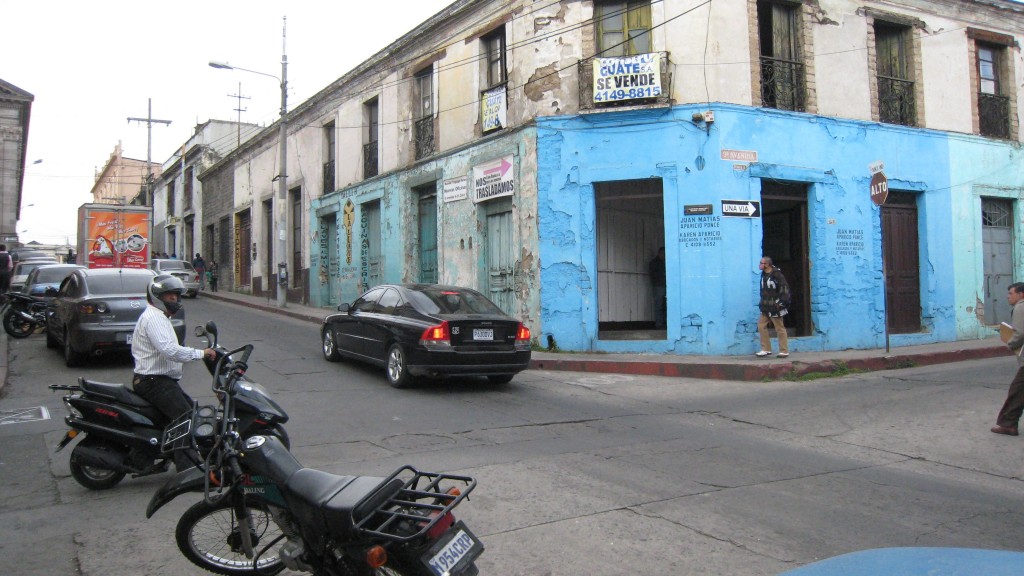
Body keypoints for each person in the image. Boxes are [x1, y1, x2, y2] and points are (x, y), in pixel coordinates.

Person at [131, 275, 216, 470]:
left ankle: (175, 456)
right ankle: (188, 468)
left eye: (177, 297)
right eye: (171, 297)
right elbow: (169, 350)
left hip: (159, 381)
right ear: (159, 297)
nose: (176, 301)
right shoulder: (154, 318)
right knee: (184, 419)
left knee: (192, 411)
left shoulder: (159, 317)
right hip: (154, 381)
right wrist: (200, 353)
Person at [993, 282, 1024, 436]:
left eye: (1011, 293)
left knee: (1017, 391)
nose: (1008, 296)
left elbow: (1019, 334)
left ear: (1021, 294)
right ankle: (1008, 423)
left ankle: (1008, 424)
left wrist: (1011, 344)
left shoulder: (1020, 307)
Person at [756, 256, 790, 358]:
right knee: (761, 326)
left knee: (779, 328)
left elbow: (784, 288)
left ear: (767, 265)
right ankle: (766, 349)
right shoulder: (763, 274)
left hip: (775, 306)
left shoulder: (777, 275)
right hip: (766, 306)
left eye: (762, 263)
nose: (760, 265)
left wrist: (780, 303)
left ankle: (784, 350)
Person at [649, 247, 666, 329]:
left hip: (662, 285)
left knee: (664, 306)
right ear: (659, 253)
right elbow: (653, 275)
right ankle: (659, 324)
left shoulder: (658, 262)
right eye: (663, 254)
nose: (664, 256)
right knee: (659, 305)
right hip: (659, 286)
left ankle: (663, 323)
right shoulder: (654, 263)